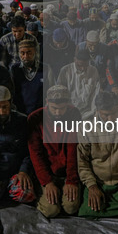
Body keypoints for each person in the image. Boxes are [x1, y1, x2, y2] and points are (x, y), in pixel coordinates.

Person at [77, 91, 118, 217]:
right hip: (98, 183)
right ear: (97, 111)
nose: (111, 118)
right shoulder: (85, 125)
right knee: (90, 210)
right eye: (106, 115)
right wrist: (92, 186)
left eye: (114, 113)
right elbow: (82, 161)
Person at [28, 85, 82, 218]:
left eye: (62, 109)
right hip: (47, 173)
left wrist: (71, 181)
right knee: (51, 210)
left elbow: (73, 150)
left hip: (66, 173)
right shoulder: (35, 118)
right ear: (47, 102)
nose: (58, 113)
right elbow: (36, 155)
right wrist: (47, 183)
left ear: (68, 105)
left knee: (71, 208)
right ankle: (40, 195)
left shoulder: (74, 114)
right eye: (54, 109)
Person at [11, 39, 52, 115]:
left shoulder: (45, 68)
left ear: (35, 52)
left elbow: (50, 90)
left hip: (40, 112)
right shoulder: (14, 69)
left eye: (29, 52)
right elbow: (13, 91)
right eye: (22, 53)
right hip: (21, 112)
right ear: (19, 53)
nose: (26, 56)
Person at [57, 49, 100, 119]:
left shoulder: (93, 71)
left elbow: (95, 94)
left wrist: (94, 112)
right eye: (80, 65)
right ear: (75, 60)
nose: (82, 68)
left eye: (85, 65)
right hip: (68, 112)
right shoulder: (65, 71)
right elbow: (60, 94)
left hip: (87, 113)